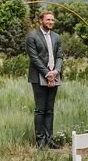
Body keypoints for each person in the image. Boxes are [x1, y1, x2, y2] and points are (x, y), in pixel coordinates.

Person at [25, 11, 63, 149]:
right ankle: (40, 141)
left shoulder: (56, 37)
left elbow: (59, 56)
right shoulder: (32, 36)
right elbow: (34, 58)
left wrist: (56, 71)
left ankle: (49, 139)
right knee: (40, 110)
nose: (51, 22)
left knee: (50, 109)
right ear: (41, 20)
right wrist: (47, 73)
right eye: (48, 20)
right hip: (38, 75)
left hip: (55, 74)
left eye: (52, 20)